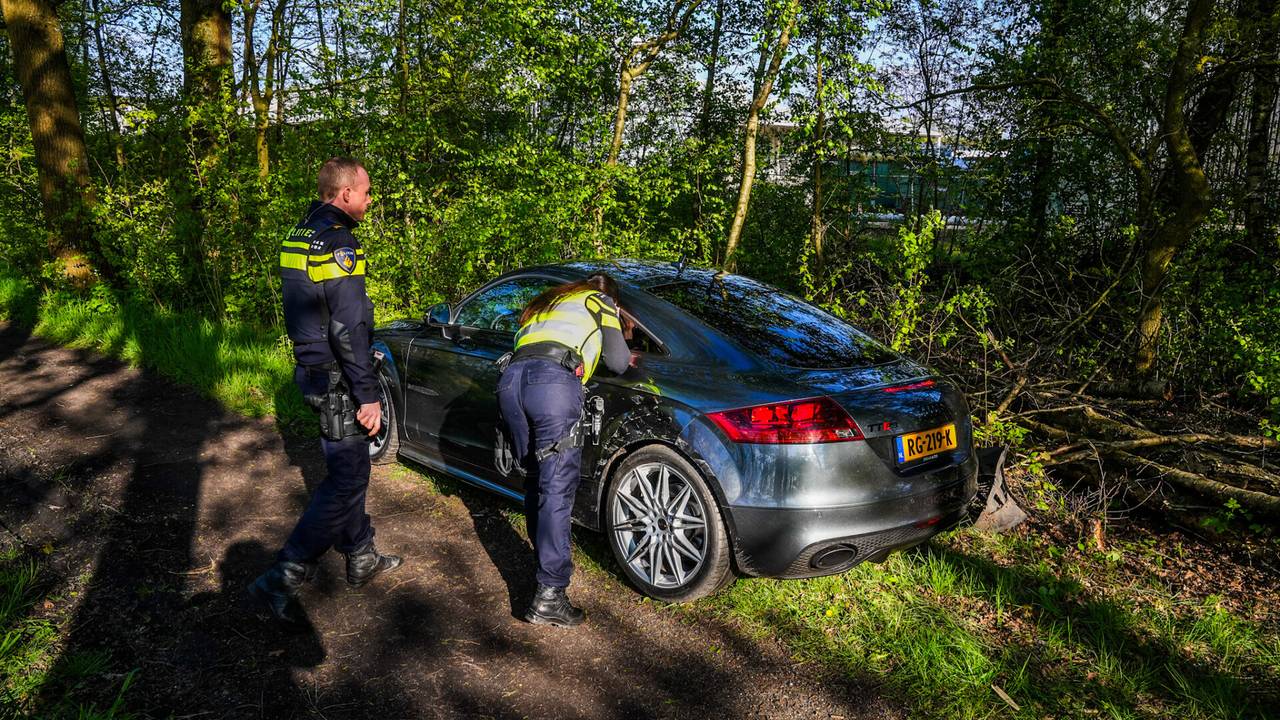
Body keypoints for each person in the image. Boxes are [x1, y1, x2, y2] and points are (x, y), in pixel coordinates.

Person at [250, 157, 402, 622]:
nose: (370, 200)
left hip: (312, 368)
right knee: (348, 479)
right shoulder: (339, 243)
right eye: (367, 192)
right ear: (346, 193)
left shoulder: (299, 235)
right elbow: (348, 326)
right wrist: (368, 393)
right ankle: (283, 574)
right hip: (338, 377)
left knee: (346, 469)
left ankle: (361, 553)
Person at [497, 273, 632, 627]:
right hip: (552, 386)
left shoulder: (548, 303)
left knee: (536, 481)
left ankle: (544, 569)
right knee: (555, 489)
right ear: (614, 300)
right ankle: (550, 595)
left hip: (511, 383)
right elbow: (618, 362)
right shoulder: (600, 302)